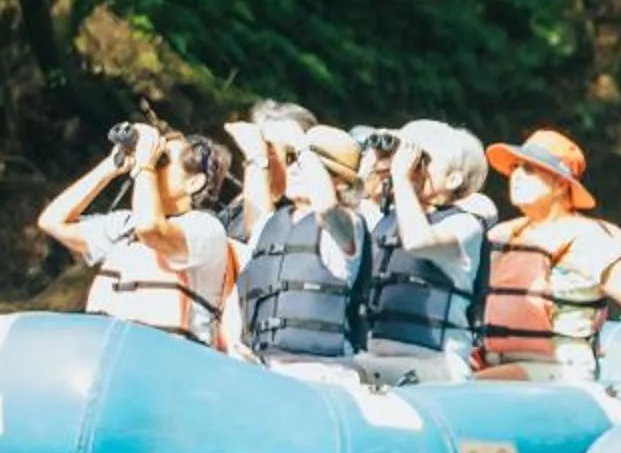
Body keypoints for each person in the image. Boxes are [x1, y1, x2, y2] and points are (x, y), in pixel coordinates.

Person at [475, 127, 621, 384]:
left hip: (562, 370)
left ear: (561, 184)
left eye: (528, 169)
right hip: (501, 364)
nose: (515, 175)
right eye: (515, 167)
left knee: (470, 385)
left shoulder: (585, 238)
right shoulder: (503, 234)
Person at [34, 122, 237, 347]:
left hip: (173, 362)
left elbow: (151, 230)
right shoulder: (127, 225)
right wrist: (111, 166)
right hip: (114, 353)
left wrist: (145, 166)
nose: (153, 163)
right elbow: (52, 222)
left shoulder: (205, 228)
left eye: (163, 160)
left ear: (193, 183)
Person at [223, 125, 374, 369]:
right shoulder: (271, 225)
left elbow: (325, 207)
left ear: (341, 184)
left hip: (323, 371)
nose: (295, 169)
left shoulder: (347, 225)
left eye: (307, 164)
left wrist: (303, 146)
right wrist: (232, 341)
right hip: (264, 367)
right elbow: (241, 292)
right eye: (292, 160)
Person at [359, 121, 500, 381]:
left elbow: (417, 241)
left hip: (436, 363)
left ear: (453, 179)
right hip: (377, 357)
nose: (413, 166)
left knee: (354, 375)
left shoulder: (465, 224)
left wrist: (401, 178)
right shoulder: (385, 219)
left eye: (423, 160)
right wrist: (374, 166)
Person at [221, 99, 318, 240]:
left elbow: (259, 234)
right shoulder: (246, 196)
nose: (262, 152)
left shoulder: (300, 206)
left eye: (268, 147)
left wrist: (257, 158)